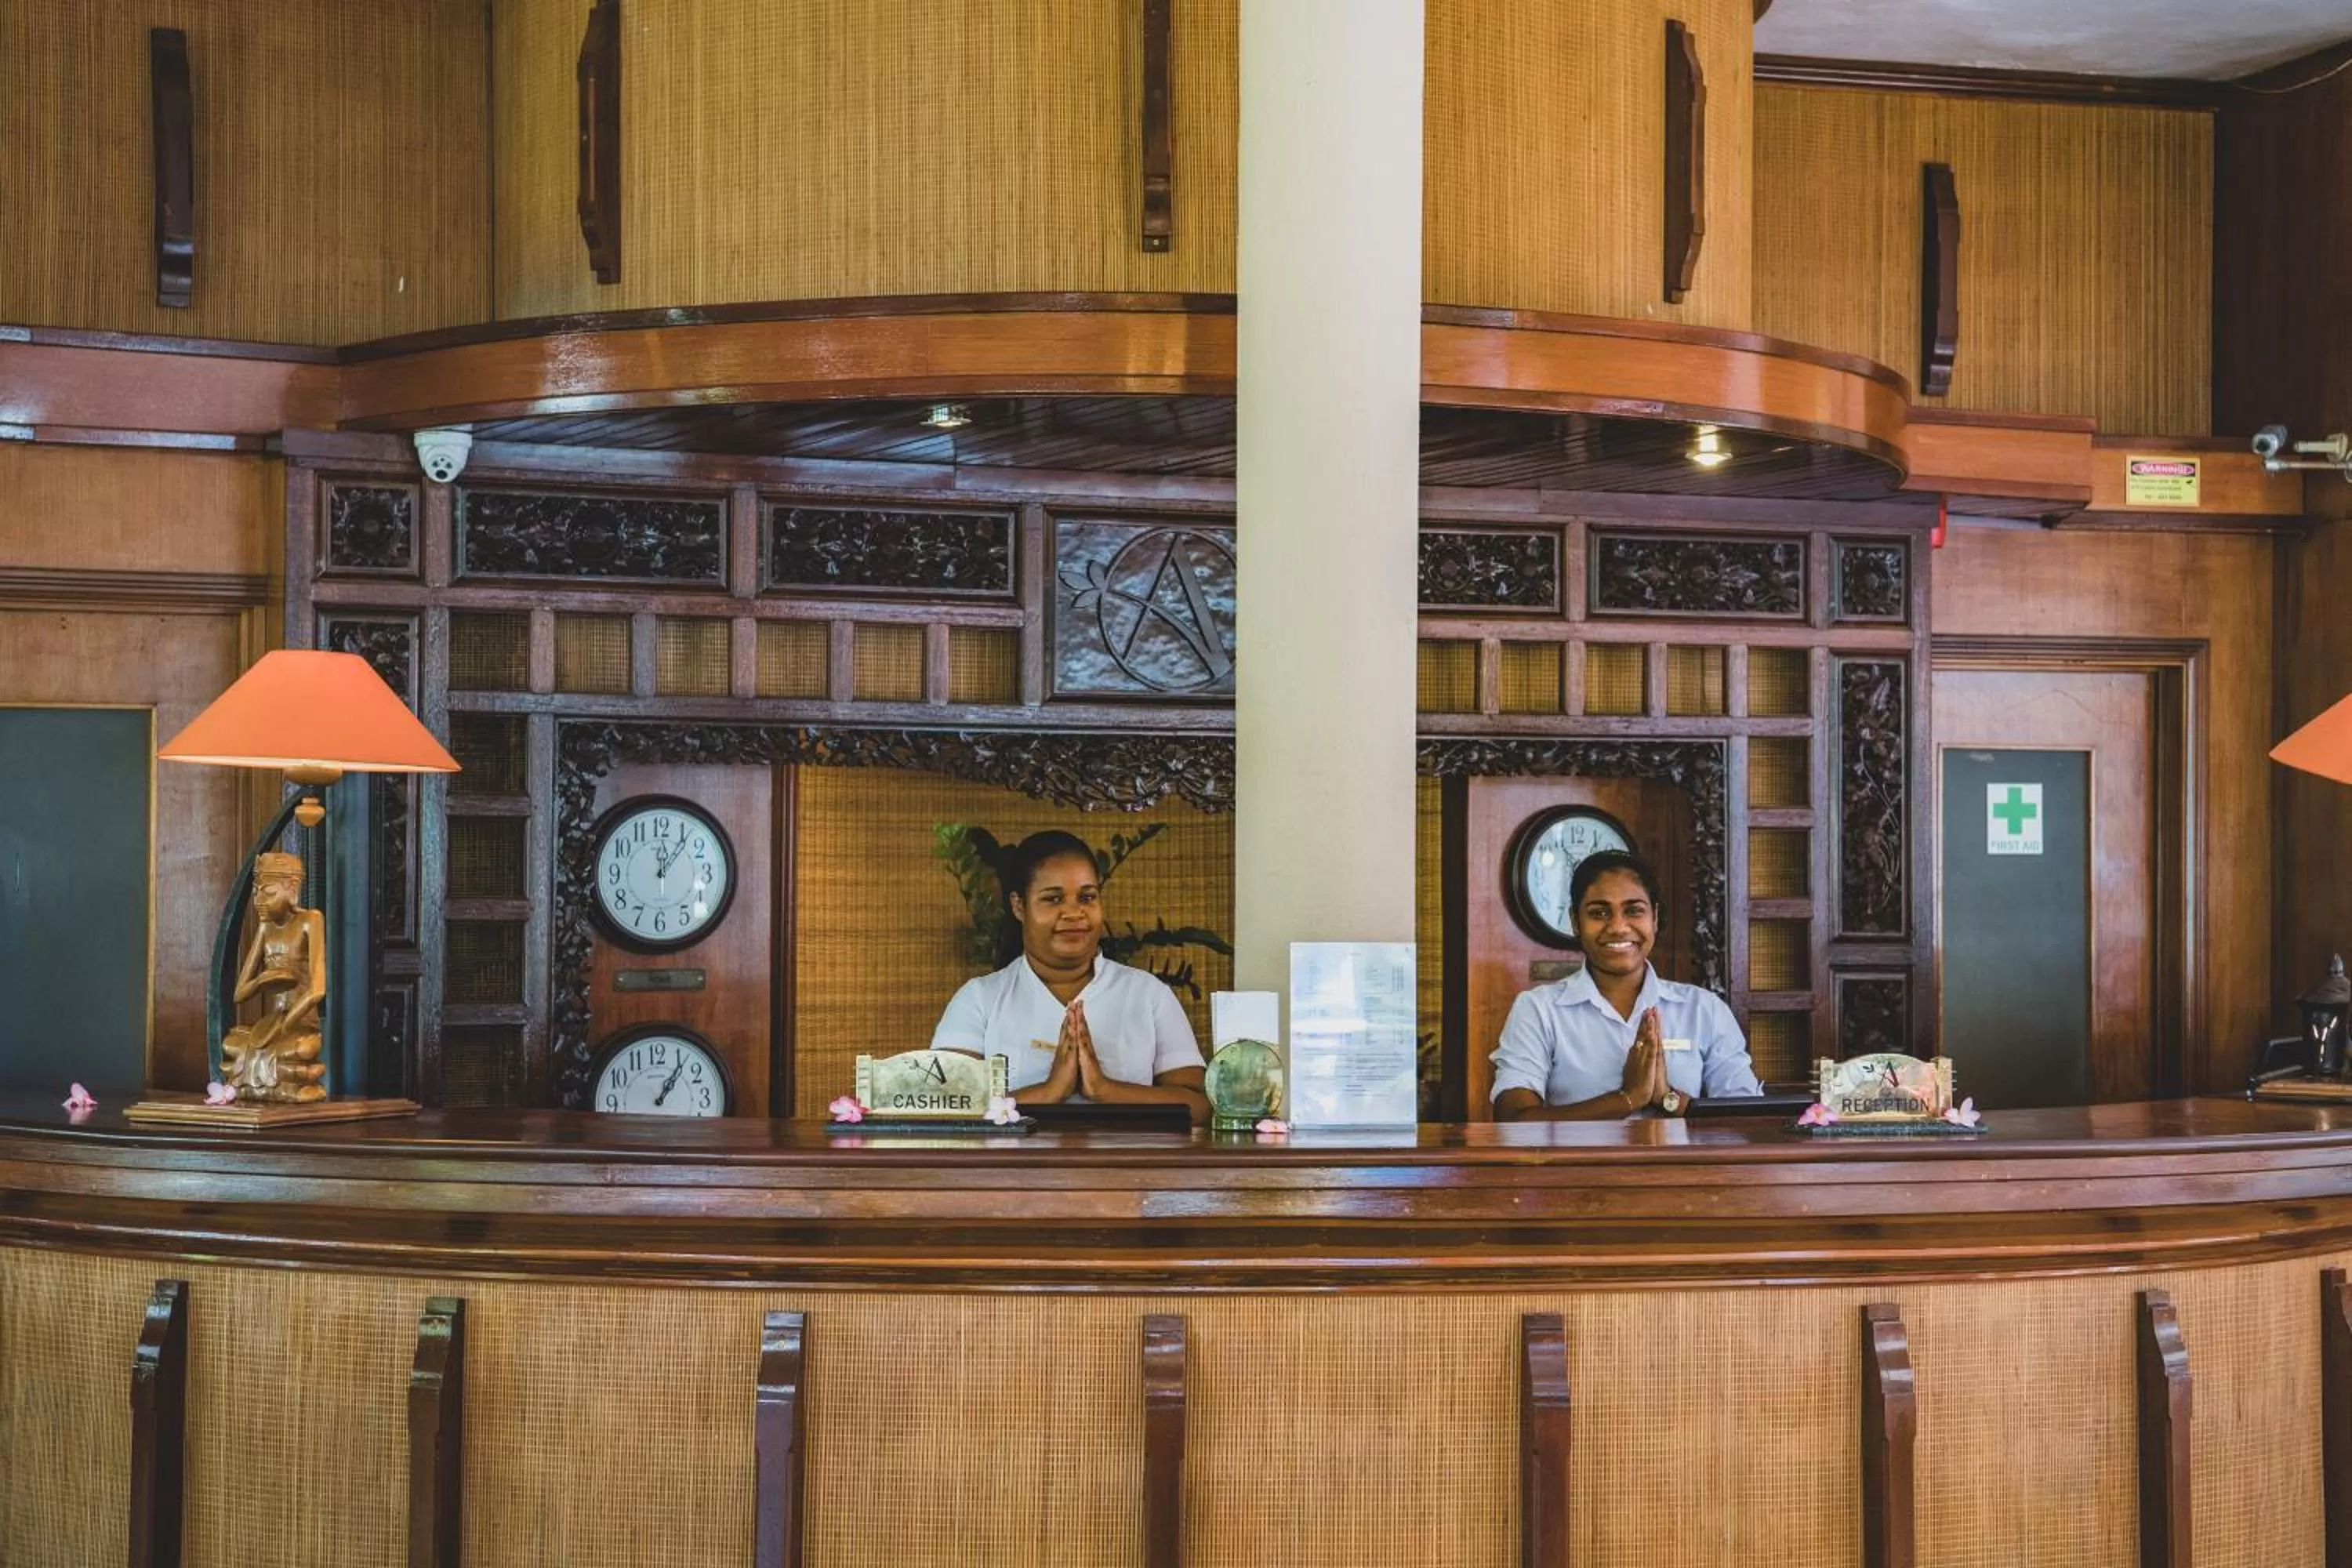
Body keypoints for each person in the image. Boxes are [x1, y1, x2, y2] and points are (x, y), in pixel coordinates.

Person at [931, 829, 1210, 1125]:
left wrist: (1105, 1090)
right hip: (1013, 1172)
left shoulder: (1148, 994)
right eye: (1053, 899)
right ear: (1018, 906)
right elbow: (942, 1111)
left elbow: (1200, 1108)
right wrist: (1050, 1092)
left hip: (1128, 1171)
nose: (1074, 913)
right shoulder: (979, 999)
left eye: (1087, 897)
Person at [1490, 849, 1759, 1120]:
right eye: (1599, 913)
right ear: (1575, 921)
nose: (1618, 927)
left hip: (1685, 1165)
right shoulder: (1539, 1010)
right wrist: (1627, 1099)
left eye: (1634, 911)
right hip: (1579, 1165)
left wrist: (1667, 1097)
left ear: (1654, 917)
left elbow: (1747, 1120)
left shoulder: (1704, 1009)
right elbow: (1514, 1119)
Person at [218, 852, 328, 1103]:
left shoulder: (310, 921)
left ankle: (274, 1085)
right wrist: (260, 981)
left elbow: (318, 988)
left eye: (268, 894)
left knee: (303, 1048)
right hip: (271, 1025)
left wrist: (287, 1024)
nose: (259, 901)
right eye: (257, 893)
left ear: (292, 890)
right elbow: (239, 994)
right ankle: (289, 1088)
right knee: (231, 1044)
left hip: (299, 1024)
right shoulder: (265, 928)